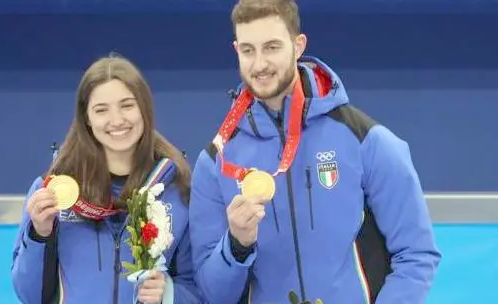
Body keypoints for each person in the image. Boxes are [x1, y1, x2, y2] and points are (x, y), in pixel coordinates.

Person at [188, 0, 442, 303]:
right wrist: (236, 245)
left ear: (298, 46)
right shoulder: (216, 162)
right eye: (248, 50)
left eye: (272, 47)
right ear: (236, 50)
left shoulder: (364, 140)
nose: (259, 64)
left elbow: (416, 254)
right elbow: (212, 293)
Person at [11, 54, 203, 304]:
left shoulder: (178, 190)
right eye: (101, 110)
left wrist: (170, 294)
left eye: (127, 105)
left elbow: (202, 290)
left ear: (144, 109)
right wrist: (39, 234)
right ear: (87, 119)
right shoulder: (53, 194)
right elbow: (30, 296)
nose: (117, 120)